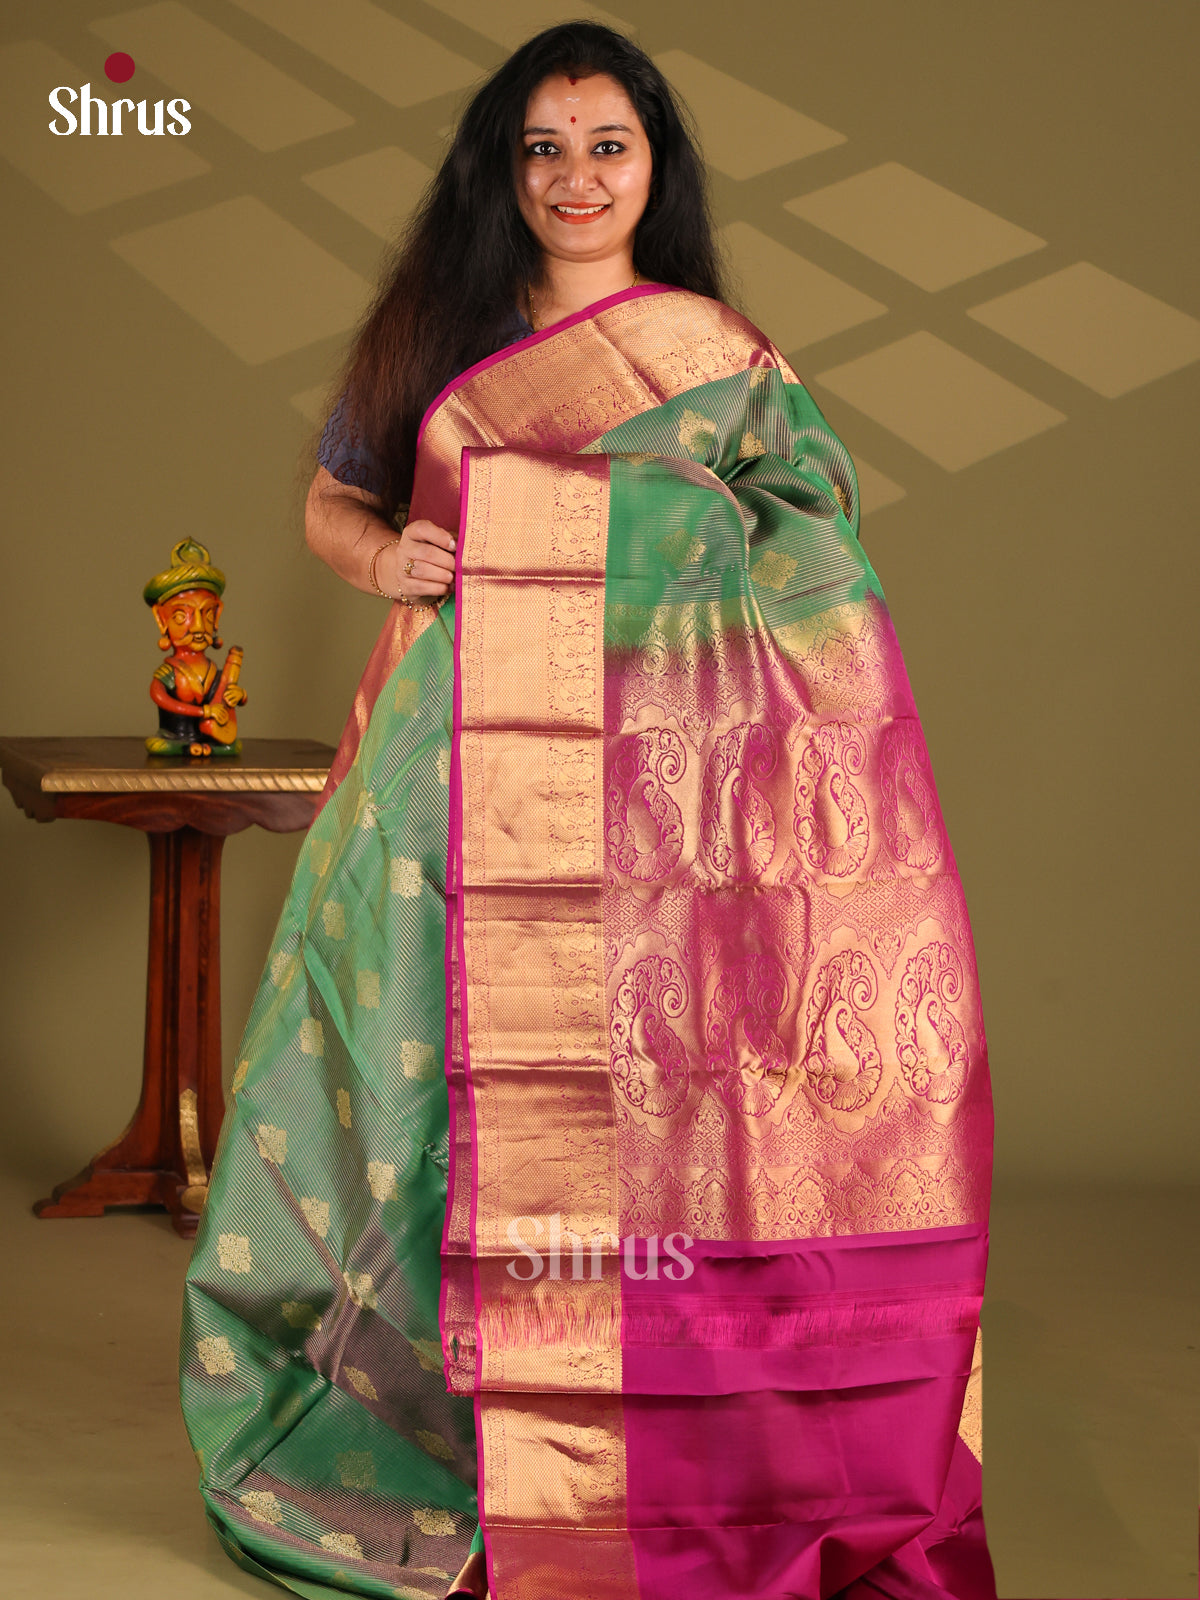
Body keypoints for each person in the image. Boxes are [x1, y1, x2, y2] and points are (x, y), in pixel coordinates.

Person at [179, 22, 996, 1600]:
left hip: (668, 809)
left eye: (607, 145)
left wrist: (627, 527)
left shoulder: (715, 356)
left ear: (655, 168)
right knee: (427, 1102)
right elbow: (334, 496)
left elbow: (809, 533)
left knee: (649, 1101)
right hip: (446, 780)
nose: (575, 177)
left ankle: (646, 1442)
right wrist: (385, 557)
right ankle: (447, 1440)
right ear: (501, 172)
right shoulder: (443, 338)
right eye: (542, 149)